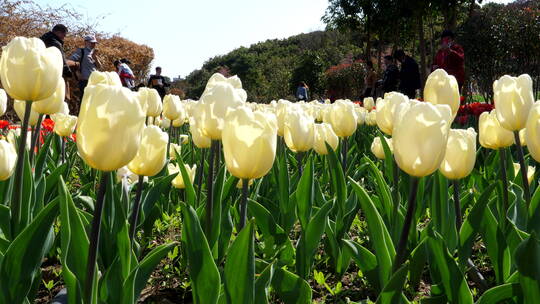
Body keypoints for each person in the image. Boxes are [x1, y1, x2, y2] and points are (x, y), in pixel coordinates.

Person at [69, 35, 102, 99]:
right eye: (92, 43)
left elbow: (99, 67)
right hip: (85, 81)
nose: (94, 44)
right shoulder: (81, 51)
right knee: (84, 101)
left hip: (94, 81)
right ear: (86, 42)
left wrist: (95, 57)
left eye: (94, 43)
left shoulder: (93, 53)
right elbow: (70, 61)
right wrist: (77, 72)